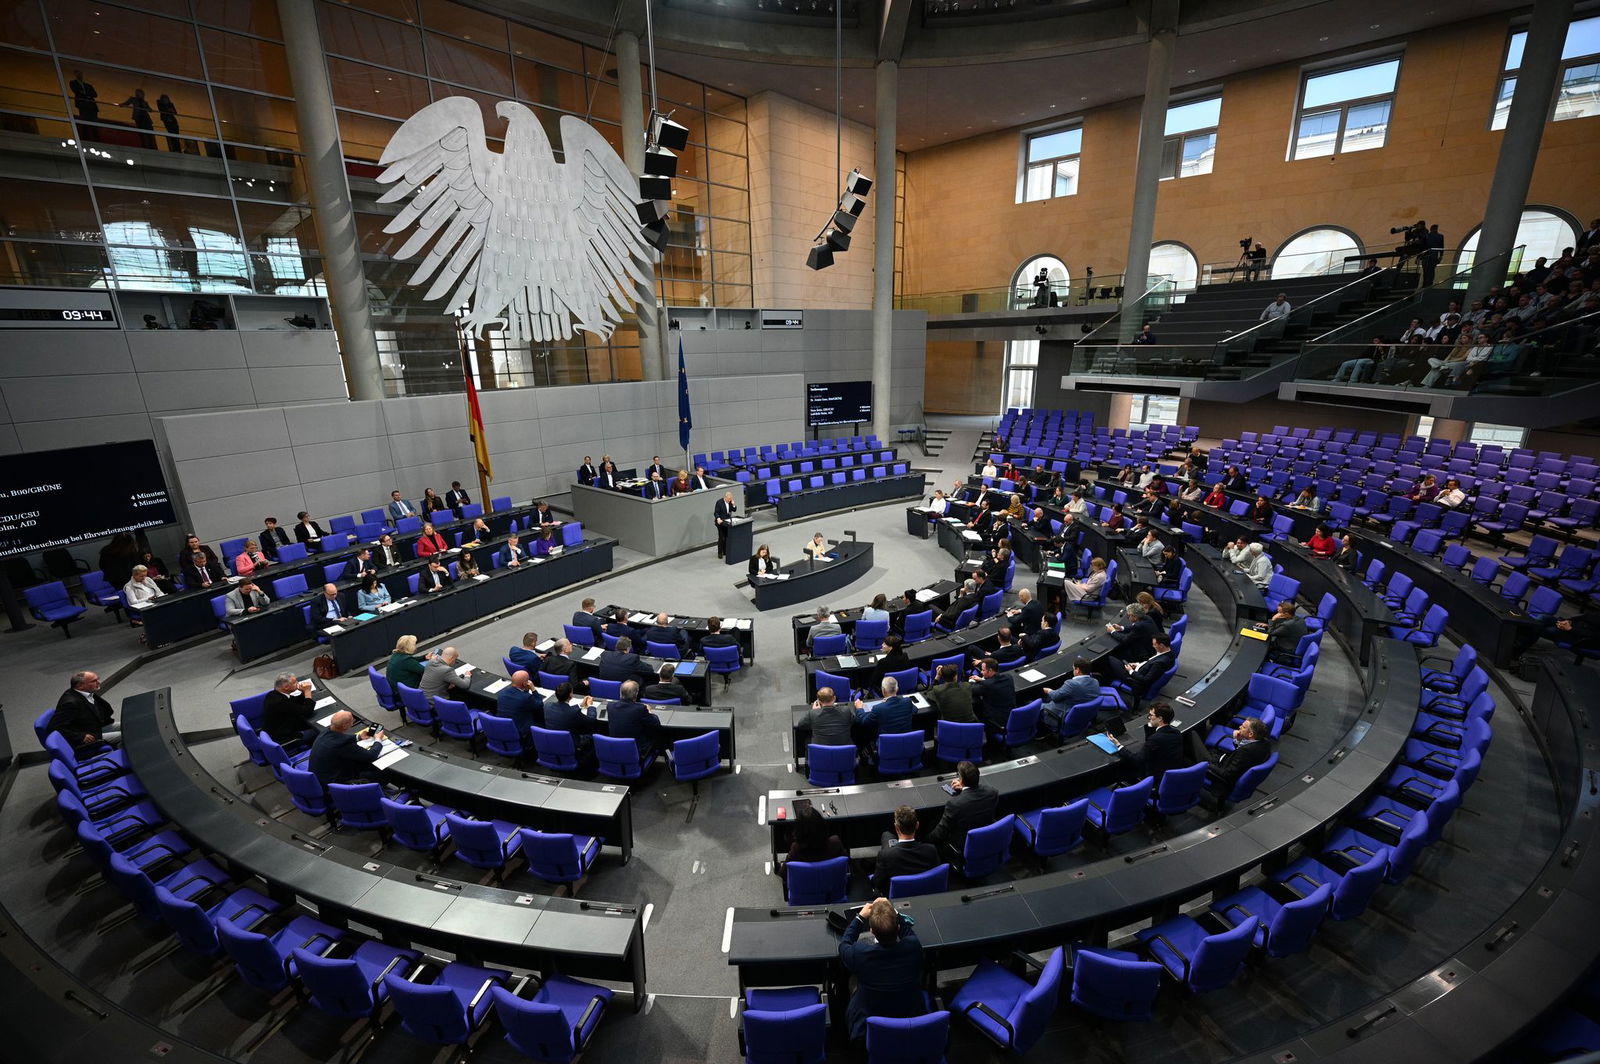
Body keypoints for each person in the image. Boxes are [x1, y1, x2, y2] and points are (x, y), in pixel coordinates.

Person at [838, 897, 926, 1043]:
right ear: (898, 928)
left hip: (871, 1021)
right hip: (909, 1013)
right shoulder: (913, 947)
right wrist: (892, 911)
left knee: (853, 979)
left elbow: (844, 945)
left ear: (872, 931)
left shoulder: (860, 954)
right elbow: (908, 933)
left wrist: (860, 918)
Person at [927, 760, 999, 860]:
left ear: (960, 779)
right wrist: (965, 787)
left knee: (932, 824)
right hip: (986, 839)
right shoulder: (993, 793)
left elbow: (939, 834)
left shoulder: (955, 804)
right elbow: (979, 791)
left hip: (964, 845)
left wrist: (926, 840)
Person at [872, 806, 941, 897]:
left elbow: (877, 883)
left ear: (896, 827)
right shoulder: (931, 850)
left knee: (887, 835)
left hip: (895, 899)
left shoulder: (886, 855)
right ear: (917, 825)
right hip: (925, 893)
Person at [309, 711, 385, 785]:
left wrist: (358, 737)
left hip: (319, 777)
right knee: (379, 772)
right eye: (352, 720)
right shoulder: (343, 744)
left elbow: (340, 738)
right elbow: (371, 756)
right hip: (334, 783)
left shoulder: (325, 731)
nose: (354, 721)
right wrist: (378, 740)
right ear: (345, 726)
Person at [1207, 717, 1273, 801]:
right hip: (1226, 760)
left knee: (1193, 738)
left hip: (1220, 775)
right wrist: (1238, 740)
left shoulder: (1246, 752)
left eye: (1243, 727)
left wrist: (1208, 765)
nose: (1239, 727)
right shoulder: (1265, 743)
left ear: (1250, 734)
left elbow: (1227, 774)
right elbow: (1239, 756)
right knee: (1207, 749)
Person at [1125, 701, 1189, 787]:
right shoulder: (1177, 733)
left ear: (1160, 718)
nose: (1149, 717)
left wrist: (1119, 746)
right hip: (1172, 776)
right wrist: (1150, 726)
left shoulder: (1155, 739)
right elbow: (1151, 744)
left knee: (1127, 767)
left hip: (1157, 781)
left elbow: (1138, 759)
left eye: (1151, 715)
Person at [54, 670, 116, 748]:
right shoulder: (70, 703)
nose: (99, 682)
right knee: (126, 735)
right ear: (80, 686)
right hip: (90, 736)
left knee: (129, 724)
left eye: (98, 679)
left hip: (98, 727)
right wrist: (81, 736)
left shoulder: (86, 692)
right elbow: (56, 727)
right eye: (94, 681)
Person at [606, 681, 663, 759]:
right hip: (636, 750)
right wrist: (649, 711)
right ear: (636, 694)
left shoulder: (610, 706)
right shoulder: (640, 709)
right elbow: (656, 723)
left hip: (615, 748)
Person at [1042, 659, 1100, 734]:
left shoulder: (1071, 684)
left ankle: (1042, 732)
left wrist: (1048, 690)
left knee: (1035, 706)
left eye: (1073, 669)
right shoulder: (1095, 681)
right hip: (1082, 717)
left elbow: (1055, 696)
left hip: (1062, 717)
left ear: (1077, 670)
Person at [853, 675, 916, 745]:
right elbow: (914, 710)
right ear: (897, 689)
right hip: (907, 743)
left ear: (883, 690)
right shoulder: (907, 701)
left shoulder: (878, 708)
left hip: (887, 746)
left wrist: (859, 708)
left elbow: (864, 721)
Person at [261, 672, 318, 746]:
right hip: (284, 737)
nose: (298, 683)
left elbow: (295, 701)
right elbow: (307, 712)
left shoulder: (273, 694)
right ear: (286, 687)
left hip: (280, 727)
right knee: (322, 732)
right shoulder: (280, 702)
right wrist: (307, 691)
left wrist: (303, 691)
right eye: (295, 682)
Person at [1124, 634, 1176, 703]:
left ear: (1161, 645)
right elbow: (1150, 662)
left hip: (1136, 682)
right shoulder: (1168, 652)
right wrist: (1137, 664)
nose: (1153, 646)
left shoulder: (1160, 662)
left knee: (1111, 661)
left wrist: (1131, 671)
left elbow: (1146, 679)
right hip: (1140, 669)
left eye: (1154, 644)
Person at [969, 656, 1017, 732]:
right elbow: (993, 683)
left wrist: (972, 681)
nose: (981, 672)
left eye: (983, 670)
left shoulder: (987, 685)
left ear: (990, 670)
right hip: (1012, 718)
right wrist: (982, 680)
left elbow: (972, 689)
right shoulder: (1008, 677)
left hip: (997, 724)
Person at [495, 670, 542, 735]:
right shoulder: (526, 697)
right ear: (524, 684)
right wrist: (533, 689)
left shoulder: (502, 693)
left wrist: (525, 690)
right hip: (520, 731)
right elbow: (539, 704)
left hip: (502, 727)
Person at [1266, 601, 1307, 665]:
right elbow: (1281, 627)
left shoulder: (1288, 625)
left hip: (1286, 650)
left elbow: (1270, 632)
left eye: (1279, 612)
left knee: (1263, 645)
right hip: (1295, 645)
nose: (1277, 613)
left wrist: (1273, 620)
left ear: (1286, 614)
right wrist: (1268, 625)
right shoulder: (1299, 619)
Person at [714, 492, 738, 559]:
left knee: (727, 537)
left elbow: (734, 510)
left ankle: (725, 551)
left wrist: (733, 504)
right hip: (720, 522)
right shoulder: (719, 502)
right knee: (722, 537)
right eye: (729, 499)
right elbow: (716, 512)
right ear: (725, 497)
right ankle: (720, 553)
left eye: (731, 499)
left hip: (727, 522)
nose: (730, 500)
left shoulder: (730, 502)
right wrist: (718, 519)